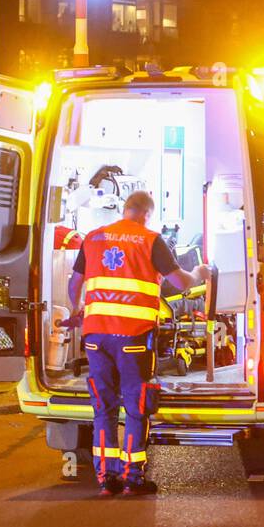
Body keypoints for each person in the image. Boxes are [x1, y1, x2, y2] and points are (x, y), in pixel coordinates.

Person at [66, 191, 211, 496]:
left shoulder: (92, 238)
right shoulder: (149, 239)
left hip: (95, 337)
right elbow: (180, 282)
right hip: (132, 337)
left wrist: (77, 309)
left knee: (103, 407)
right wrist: (199, 273)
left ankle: (106, 479)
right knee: (136, 406)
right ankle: (133, 478)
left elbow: (74, 282)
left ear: (125, 208)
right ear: (146, 213)